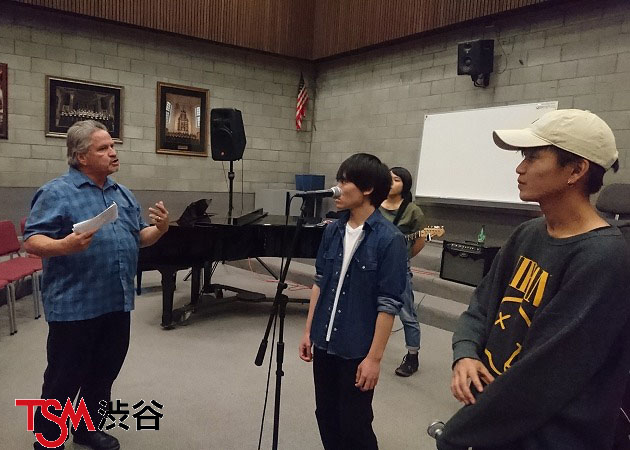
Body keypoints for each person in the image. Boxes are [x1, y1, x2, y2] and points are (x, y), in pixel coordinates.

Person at [436, 109, 630, 450]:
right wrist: (465, 352)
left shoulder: (604, 259)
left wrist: (455, 436)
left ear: (576, 170)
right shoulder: (527, 234)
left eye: (533, 157)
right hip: (496, 423)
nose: (519, 168)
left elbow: (542, 377)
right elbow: (482, 303)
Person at [24, 120, 170, 450]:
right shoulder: (56, 192)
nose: (113, 152)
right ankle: (48, 437)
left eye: (113, 146)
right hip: (75, 304)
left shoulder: (122, 194)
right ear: (81, 157)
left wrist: (160, 229)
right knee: (63, 377)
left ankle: (88, 429)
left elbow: (139, 237)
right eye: (103, 148)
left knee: (103, 373)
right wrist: (64, 245)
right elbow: (32, 240)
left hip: (116, 301)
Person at [298, 153, 408, 449]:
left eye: (344, 181)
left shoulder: (390, 239)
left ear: (368, 188)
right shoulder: (332, 230)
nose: (337, 187)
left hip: (356, 350)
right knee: (326, 416)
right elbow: (320, 281)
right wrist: (309, 331)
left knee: (355, 424)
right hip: (324, 342)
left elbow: (388, 304)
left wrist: (374, 359)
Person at [379, 167, 426, 377]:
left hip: (398, 268)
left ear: (405, 184)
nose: (391, 183)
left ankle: (412, 356)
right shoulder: (374, 205)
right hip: (374, 265)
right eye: (388, 179)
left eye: (396, 180)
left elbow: (419, 241)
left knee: (407, 313)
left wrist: (403, 257)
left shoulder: (412, 211)